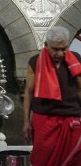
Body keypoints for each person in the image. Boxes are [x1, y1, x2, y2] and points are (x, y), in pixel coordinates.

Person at [22, 26, 81, 166]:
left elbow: (80, 89)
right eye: (56, 49)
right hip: (45, 121)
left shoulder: (76, 59)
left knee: (74, 161)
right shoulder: (35, 61)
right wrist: (25, 122)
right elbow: (29, 93)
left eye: (64, 48)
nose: (60, 53)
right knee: (42, 160)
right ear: (46, 45)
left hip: (71, 119)